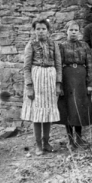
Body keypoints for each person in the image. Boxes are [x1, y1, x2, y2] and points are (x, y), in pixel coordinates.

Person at [21, 19, 62, 155]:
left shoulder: (53, 44)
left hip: (50, 80)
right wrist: (29, 87)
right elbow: (26, 68)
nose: (41, 31)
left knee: (48, 112)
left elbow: (58, 65)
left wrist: (58, 84)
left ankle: (46, 142)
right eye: (38, 29)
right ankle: (38, 144)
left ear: (48, 30)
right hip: (37, 80)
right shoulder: (31, 45)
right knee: (38, 114)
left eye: (43, 28)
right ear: (34, 31)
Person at [57, 21, 92, 150]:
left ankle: (78, 137)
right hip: (67, 77)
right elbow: (58, 66)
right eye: (71, 30)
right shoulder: (61, 46)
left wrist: (90, 83)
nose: (73, 32)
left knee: (79, 107)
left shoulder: (84, 46)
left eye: (76, 30)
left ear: (79, 32)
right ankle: (70, 139)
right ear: (66, 31)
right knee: (68, 107)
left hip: (80, 78)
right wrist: (59, 84)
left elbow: (90, 65)